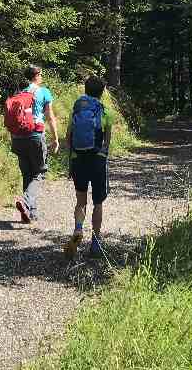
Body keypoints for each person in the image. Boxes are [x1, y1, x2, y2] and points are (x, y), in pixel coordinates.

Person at [64, 75, 114, 258]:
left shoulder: (76, 109)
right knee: (98, 202)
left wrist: (73, 155)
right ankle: (95, 242)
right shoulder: (106, 111)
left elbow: (67, 138)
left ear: (85, 90)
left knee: (81, 201)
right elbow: (107, 142)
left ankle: (78, 229)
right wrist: (101, 154)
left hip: (79, 160)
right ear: (102, 92)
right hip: (97, 161)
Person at [11, 65, 60, 224]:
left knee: (27, 174)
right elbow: (50, 117)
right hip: (35, 136)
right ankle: (26, 201)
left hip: (18, 137)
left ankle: (30, 212)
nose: (42, 77)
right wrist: (56, 139)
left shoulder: (18, 93)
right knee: (39, 173)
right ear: (37, 75)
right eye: (41, 74)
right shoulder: (44, 92)